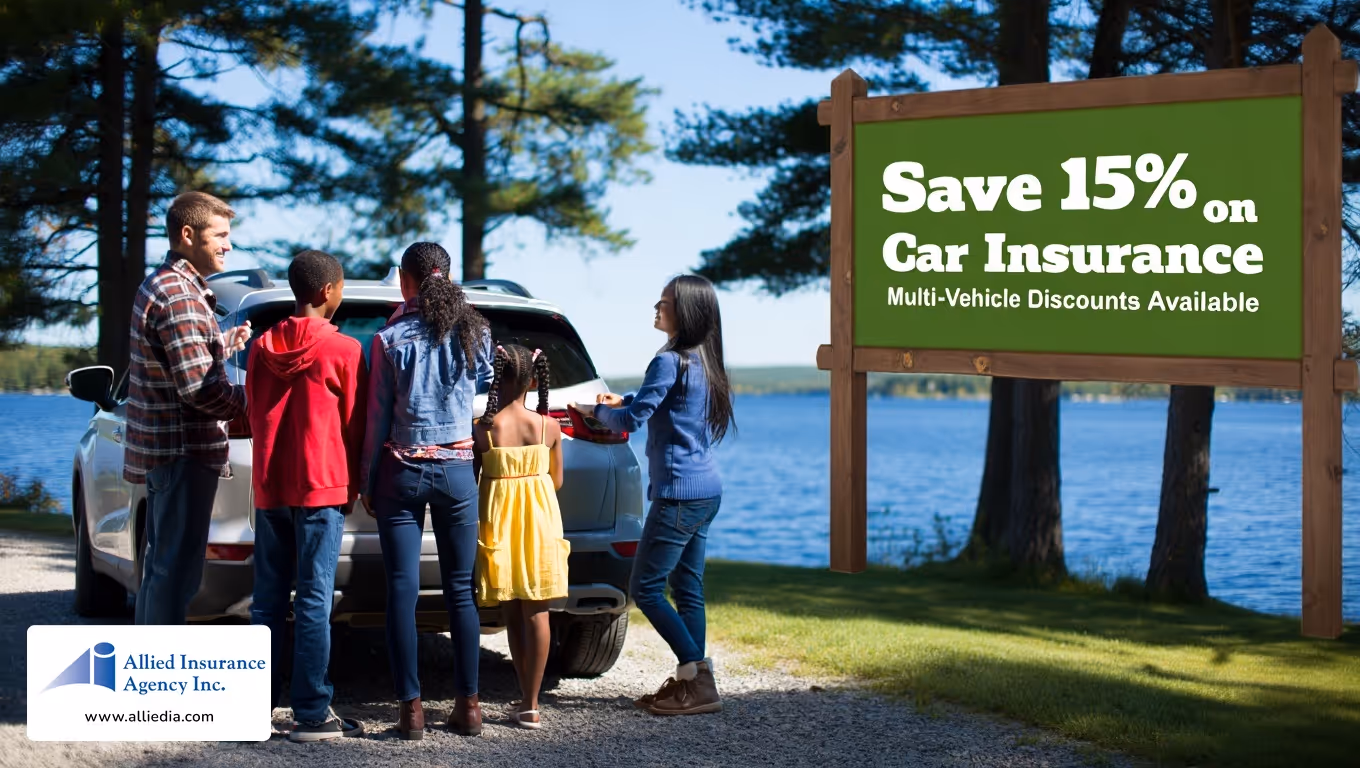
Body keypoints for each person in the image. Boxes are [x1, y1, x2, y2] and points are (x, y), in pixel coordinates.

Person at [578, 274, 735, 716]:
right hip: (707, 491)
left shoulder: (669, 361)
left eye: (664, 302)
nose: (656, 306)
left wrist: (598, 412)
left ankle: (697, 676)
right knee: (688, 589)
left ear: (685, 312)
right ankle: (691, 685)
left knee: (644, 589)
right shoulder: (704, 362)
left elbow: (633, 419)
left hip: (679, 495)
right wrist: (622, 399)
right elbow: (665, 403)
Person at [358, 242, 495, 740]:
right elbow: (484, 384)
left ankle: (411, 712)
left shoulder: (389, 338)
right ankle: (470, 706)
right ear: (448, 277)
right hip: (458, 472)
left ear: (404, 279)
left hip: (402, 473)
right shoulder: (474, 331)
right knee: (461, 590)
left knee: (402, 589)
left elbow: (376, 420)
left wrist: (366, 479)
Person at [246, 250, 366, 742]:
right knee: (314, 598)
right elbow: (355, 425)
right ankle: (312, 712)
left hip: (271, 486)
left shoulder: (259, 348)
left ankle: (254, 706)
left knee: (267, 600)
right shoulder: (345, 351)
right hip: (321, 487)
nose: (341, 295)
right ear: (325, 292)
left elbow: (253, 415)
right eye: (340, 288)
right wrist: (356, 486)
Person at [125, 191, 253, 625]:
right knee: (175, 575)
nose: (228, 245)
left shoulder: (166, 284)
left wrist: (220, 345)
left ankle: (147, 676)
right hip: (184, 453)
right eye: (220, 235)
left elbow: (185, 361)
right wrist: (256, 404)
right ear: (187, 234)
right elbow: (200, 391)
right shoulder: (179, 296)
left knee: (161, 570)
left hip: (170, 453)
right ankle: (156, 682)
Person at [472, 344, 568, 730]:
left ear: (497, 377)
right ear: (533, 379)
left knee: (511, 609)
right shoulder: (549, 427)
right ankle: (531, 701)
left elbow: (476, 479)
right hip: (541, 523)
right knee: (537, 610)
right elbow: (557, 481)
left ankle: (523, 695)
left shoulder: (484, 429)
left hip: (500, 525)